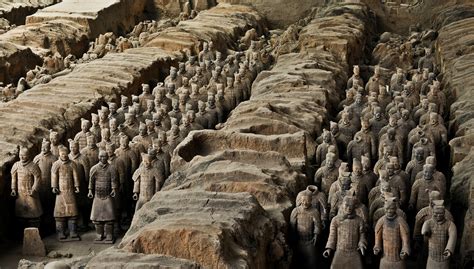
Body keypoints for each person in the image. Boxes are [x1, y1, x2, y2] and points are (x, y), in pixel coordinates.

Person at [88, 151, 118, 243]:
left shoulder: (112, 168)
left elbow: (114, 180)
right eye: (101, 156)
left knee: (109, 218)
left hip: (107, 195)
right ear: (98, 157)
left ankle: (109, 235)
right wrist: (90, 190)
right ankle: (99, 235)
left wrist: (113, 189)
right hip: (97, 195)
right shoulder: (94, 168)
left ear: (107, 157)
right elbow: (91, 181)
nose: (102, 158)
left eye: (104, 156)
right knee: (97, 219)